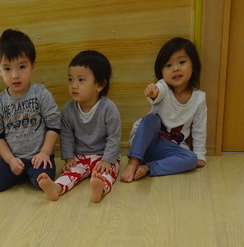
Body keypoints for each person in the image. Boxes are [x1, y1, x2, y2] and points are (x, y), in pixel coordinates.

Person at [37, 50, 121, 203]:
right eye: (70, 79)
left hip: (104, 155)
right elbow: (66, 135)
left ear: (100, 85)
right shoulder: (69, 109)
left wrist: (107, 160)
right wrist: (69, 158)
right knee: (70, 172)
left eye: (81, 80)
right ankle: (57, 188)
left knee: (107, 173)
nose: (73, 85)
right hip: (80, 156)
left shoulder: (108, 108)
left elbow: (114, 136)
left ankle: (99, 188)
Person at [120, 37, 207, 183]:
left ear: (194, 66)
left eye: (182, 62)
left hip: (168, 149)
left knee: (191, 159)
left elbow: (199, 129)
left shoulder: (199, 99)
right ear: (161, 72)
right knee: (151, 119)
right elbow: (158, 91)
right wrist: (153, 91)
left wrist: (199, 154)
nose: (175, 68)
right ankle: (133, 162)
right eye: (168, 65)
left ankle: (148, 168)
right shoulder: (163, 87)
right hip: (144, 141)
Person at [0, 29, 61, 192]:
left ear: (33, 65)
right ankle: (20, 173)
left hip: (39, 156)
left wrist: (45, 153)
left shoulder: (41, 94)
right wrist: (10, 160)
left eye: (22, 66)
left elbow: (54, 126)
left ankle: (34, 175)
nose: (15, 75)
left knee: (41, 180)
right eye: (7, 69)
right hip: (13, 158)